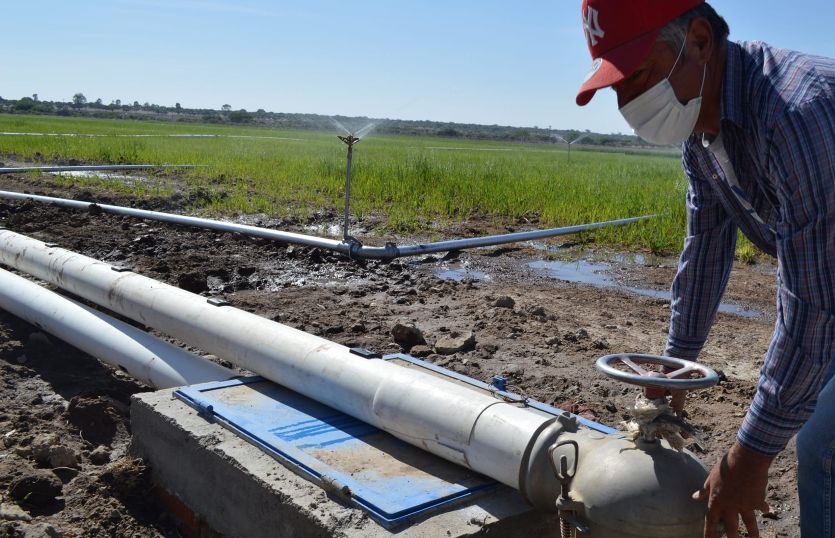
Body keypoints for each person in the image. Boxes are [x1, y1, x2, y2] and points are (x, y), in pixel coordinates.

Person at [574, 0, 835, 536]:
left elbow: (814, 307)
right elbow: (705, 253)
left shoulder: (797, 114)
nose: (628, 103)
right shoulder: (701, 132)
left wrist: (749, 456)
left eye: (639, 75)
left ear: (698, 40)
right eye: (617, 88)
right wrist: (676, 364)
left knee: (823, 445)